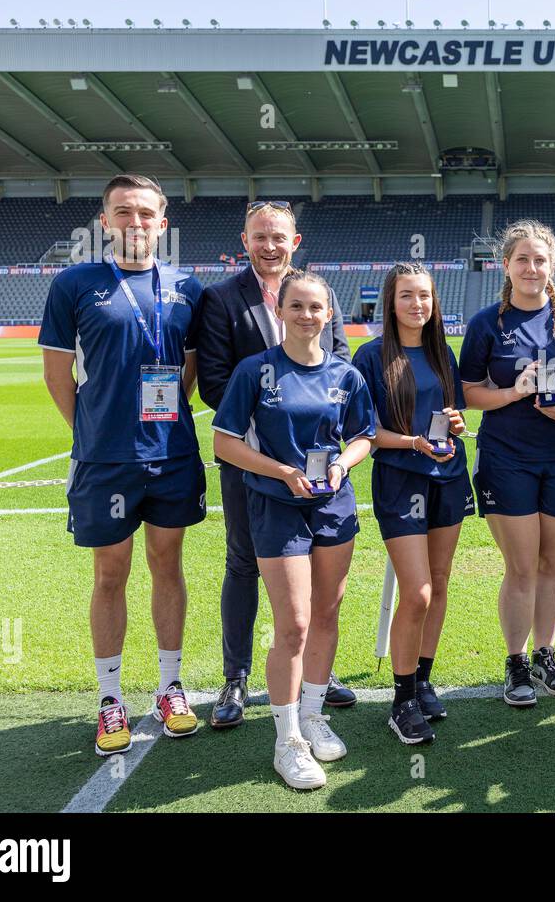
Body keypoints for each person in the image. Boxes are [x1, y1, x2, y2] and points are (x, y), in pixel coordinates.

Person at [40, 173, 206, 757]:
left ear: (162, 223)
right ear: (105, 222)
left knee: (169, 566)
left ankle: (169, 686)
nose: (134, 222)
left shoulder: (188, 285)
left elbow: (187, 371)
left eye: (145, 213)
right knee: (110, 574)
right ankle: (110, 698)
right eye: (122, 212)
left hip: (172, 453)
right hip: (105, 460)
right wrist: (93, 431)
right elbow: (57, 375)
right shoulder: (74, 283)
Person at [212, 271, 375, 790]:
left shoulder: (346, 375)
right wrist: (280, 471)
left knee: (327, 612)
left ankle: (312, 713)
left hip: (334, 505)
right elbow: (224, 442)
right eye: (297, 306)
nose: (307, 315)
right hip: (276, 506)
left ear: (330, 315)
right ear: (279, 311)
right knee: (295, 624)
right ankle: (286, 740)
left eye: (316, 308)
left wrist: (343, 465)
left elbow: (363, 436)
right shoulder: (254, 371)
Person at [196, 201, 355, 730]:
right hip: (251, 460)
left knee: (313, 570)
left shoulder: (319, 292)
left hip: (317, 465)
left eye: (279, 237)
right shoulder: (220, 299)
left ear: (295, 240)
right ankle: (236, 676)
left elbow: (342, 366)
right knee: (242, 561)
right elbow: (217, 382)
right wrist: (271, 414)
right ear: (245, 240)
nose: (269, 245)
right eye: (260, 236)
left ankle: (316, 671)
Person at [458, 220, 555, 708]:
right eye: (522, 259)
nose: (532, 268)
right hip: (506, 456)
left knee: (551, 562)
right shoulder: (486, 324)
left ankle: (545, 654)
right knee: (521, 565)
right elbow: (468, 393)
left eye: (540, 260)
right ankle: (516, 661)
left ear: (552, 265)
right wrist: (512, 392)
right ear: (506, 265)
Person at [352, 263, 472, 744]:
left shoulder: (444, 353)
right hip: (401, 479)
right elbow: (364, 432)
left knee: (439, 586)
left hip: (448, 474)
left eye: (424, 295)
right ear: (391, 301)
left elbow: (455, 413)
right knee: (417, 591)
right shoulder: (370, 357)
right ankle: (401, 700)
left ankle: (423, 681)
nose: (417, 304)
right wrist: (412, 442)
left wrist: (455, 427)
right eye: (407, 296)